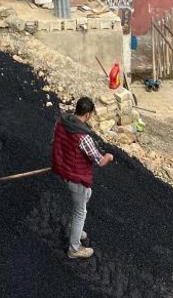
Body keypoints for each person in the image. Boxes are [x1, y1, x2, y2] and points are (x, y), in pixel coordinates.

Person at [51, 96, 114, 260]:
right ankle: (74, 248)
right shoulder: (83, 137)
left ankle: (76, 230)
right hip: (76, 178)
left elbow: (57, 143)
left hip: (64, 171)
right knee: (80, 211)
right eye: (91, 115)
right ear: (87, 115)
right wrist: (109, 156)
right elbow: (99, 161)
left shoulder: (61, 123)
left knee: (83, 200)